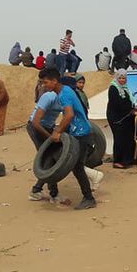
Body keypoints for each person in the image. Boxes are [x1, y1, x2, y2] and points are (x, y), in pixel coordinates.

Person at [38, 68, 98, 210]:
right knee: (76, 166)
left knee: (77, 167)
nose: (44, 85)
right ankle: (88, 196)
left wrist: (57, 131)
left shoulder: (64, 94)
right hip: (77, 132)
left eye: (45, 82)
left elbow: (69, 115)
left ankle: (89, 198)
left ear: (54, 81)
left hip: (82, 133)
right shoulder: (63, 92)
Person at [27, 83, 65, 204]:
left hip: (49, 127)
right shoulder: (49, 97)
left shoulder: (65, 98)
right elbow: (35, 122)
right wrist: (50, 137)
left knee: (51, 159)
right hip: (36, 128)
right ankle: (52, 193)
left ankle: (37, 190)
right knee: (48, 158)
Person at [107, 69, 137, 169]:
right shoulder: (113, 88)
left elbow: (128, 101)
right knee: (119, 138)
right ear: (116, 78)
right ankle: (118, 161)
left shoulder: (125, 89)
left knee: (128, 138)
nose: (122, 80)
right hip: (117, 118)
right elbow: (117, 104)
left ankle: (128, 159)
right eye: (120, 78)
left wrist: (133, 108)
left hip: (125, 117)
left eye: (124, 78)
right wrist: (131, 110)